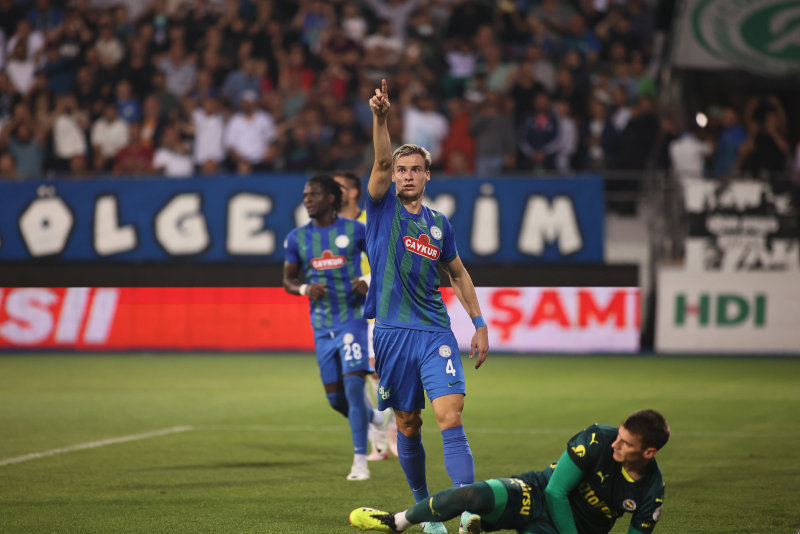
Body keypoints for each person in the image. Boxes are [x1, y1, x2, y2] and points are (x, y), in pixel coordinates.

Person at [366, 79, 489, 534]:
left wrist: (479, 323)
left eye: (415, 169)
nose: (406, 175)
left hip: (435, 332)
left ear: (427, 176)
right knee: (408, 424)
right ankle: (425, 512)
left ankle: (469, 509)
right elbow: (381, 160)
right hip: (391, 334)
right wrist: (381, 118)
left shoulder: (439, 224)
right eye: (401, 169)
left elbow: (457, 273)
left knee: (449, 416)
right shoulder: (381, 209)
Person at [350, 409, 669, 534]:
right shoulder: (598, 438)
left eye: (626, 444)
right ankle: (398, 522)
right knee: (471, 495)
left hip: (577, 528)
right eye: (619, 436)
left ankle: (476, 528)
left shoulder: (651, 493)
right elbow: (555, 492)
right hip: (537, 493)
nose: (616, 444)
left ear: (648, 453)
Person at [283, 174, 390, 482]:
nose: (307, 200)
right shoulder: (297, 238)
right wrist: (304, 288)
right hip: (321, 325)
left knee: (354, 387)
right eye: (305, 195)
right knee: (335, 400)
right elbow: (288, 280)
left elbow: (385, 260)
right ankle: (375, 418)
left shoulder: (356, 230)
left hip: (353, 319)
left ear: (331, 198)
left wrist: (367, 280)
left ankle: (360, 462)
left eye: (313, 194)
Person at [334, 170, 397, 461]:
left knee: (376, 373)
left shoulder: (370, 221)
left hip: (374, 309)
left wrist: (366, 281)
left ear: (354, 192)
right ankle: (379, 439)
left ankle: (392, 432)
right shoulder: (328, 228)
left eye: (339, 187)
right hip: (344, 312)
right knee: (353, 379)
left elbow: (389, 259)